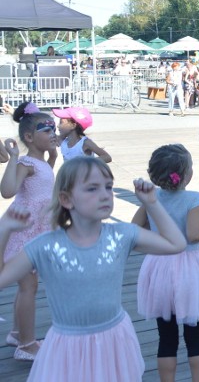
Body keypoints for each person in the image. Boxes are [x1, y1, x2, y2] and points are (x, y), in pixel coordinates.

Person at [0, 158, 184, 382]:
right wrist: (4, 228)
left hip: (114, 341)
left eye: (108, 186)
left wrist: (151, 203)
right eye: (92, 188)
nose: (106, 194)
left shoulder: (122, 235)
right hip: (67, 347)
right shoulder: (45, 246)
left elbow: (176, 244)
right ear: (66, 199)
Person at [133, 144, 199, 381]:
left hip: (159, 266)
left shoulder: (153, 198)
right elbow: (192, 235)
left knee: (166, 337)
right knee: (195, 334)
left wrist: (157, 232)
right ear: (187, 175)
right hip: (188, 269)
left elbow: (136, 226)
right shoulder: (194, 198)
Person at [1, 102, 58, 361]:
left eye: (54, 129)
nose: (53, 134)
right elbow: (8, 191)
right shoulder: (26, 162)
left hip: (37, 230)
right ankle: (26, 344)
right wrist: (12, 159)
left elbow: (45, 185)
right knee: (28, 287)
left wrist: (54, 158)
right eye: (47, 130)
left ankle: (16, 332)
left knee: (27, 286)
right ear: (28, 137)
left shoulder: (41, 161)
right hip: (24, 231)